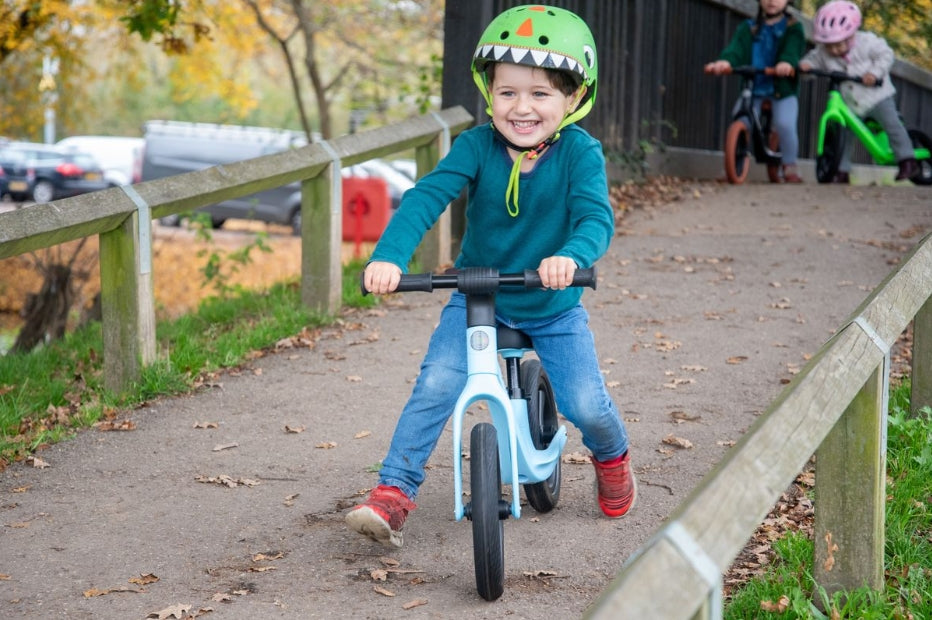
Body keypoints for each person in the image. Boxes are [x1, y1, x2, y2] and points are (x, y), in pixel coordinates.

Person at [345, 4, 636, 549]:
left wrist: (570, 258)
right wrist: (388, 257)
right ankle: (393, 491)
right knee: (436, 384)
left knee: (585, 404)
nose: (521, 108)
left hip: (551, 299)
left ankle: (612, 454)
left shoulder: (580, 153)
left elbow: (595, 216)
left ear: (573, 99)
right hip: (478, 294)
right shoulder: (477, 146)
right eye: (507, 93)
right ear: (489, 92)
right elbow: (426, 196)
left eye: (540, 94)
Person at [799, 1, 920, 184]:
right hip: (850, 103)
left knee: (892, 124)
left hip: (877, 97)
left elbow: (886, 55)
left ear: (851, 35)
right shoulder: (824, 52)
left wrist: (874, 73)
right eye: (829, 46)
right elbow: (813, 61)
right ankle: (841, 170)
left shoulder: (867, 42)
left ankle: (907, 160)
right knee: (843, 135)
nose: (833, 50)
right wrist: (805, 68)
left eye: (838, 45)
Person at [704, 0, 805, 183]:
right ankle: (732, 163)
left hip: (781, 89)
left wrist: (786, 62)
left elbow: (792, 49)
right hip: (754, 87)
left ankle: (790, 165)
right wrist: (726, 62)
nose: (771, 1)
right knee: (740, 117)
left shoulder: (793, 28)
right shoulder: (749, 27)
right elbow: (736, 49)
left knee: (785, 124)